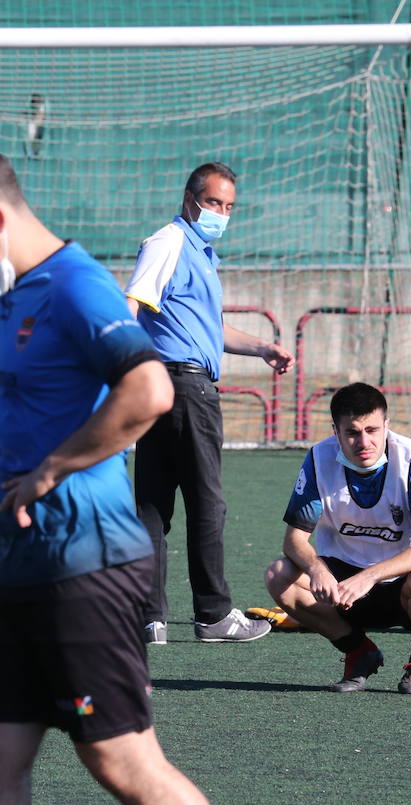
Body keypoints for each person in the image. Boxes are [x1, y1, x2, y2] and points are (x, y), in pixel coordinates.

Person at [0, 145, 252, 805]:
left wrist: (51, 468)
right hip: (20, 565)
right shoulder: (12, 291)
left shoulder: (75, 286)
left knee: (124, 763)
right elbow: (9, 387)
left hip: (87, 568)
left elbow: (150, 386)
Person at [124, 162, 293, 645]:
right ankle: (214, 615)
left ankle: (148, 618)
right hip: (183, 389)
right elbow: (130, 304)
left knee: (153, 507)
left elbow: (209, 328)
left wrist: (263, 347)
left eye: (228, 206)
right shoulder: (169, 242)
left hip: (168, 386)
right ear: (189, 199)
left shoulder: (202, 253)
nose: (220, 213)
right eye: (213, 202)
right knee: (205, 504)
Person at [263, 383, 411, 696]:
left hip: (406, 585)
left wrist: (369, 576)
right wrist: (317, 570)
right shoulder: (319, 458)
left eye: (372, 429)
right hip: (344, 587)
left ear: (387, 426)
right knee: (279, 576)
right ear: (336, 431)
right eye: (352, 432)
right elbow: (294, 541)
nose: (364, 442)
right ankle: (359, 651)